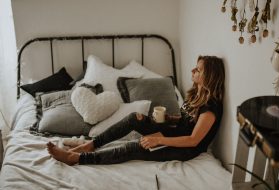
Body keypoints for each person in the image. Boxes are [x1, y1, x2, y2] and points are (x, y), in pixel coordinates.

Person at [47, 55, 225, 165]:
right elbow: (187, 122)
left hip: (184, 149)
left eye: (198, 69)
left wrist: (158, 140)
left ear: (208, 77)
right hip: (174, 134)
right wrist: (170, 119)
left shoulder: (210, 108)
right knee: (135, 118)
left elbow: (193, 140)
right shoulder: (195, 95)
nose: (193, 70)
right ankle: (90, 145)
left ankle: (77, 159)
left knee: (134, 147)